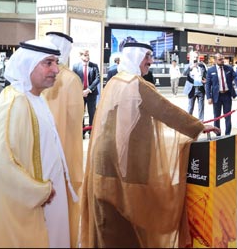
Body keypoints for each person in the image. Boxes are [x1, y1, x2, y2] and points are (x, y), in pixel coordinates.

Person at [80, 42, 219, 248]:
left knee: (107, 220)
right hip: (124, 165)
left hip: (105, 163)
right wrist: (197, 127)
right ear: (135, 57)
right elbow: (166, 110)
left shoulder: (115, 81)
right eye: (147, 56)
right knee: (126, 220)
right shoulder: (135, 84)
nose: (151, 61)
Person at [0, 39, 79, 247]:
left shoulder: (35, 98)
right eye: (48, 63)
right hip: (36, 202)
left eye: (56, 62)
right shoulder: (14, 103)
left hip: (50, 197)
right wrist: (38, 191)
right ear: (27, 64)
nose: (56, 69)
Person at [41, 31, 85, 249]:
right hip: (64, 154)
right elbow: (76, 121)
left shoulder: (37, 76)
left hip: (40, 154)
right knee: (65, 206)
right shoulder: (70, 80)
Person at [205, 53, 237, 135]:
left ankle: (228, 134)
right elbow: (208, 84)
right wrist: (209, 97)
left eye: (222, 59)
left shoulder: (229, 68)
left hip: (227, 95)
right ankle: (218, 134)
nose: (222, 61)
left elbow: (235, 77)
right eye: (220, 59)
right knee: (217, 116)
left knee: (228, 116)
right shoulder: (210, 70)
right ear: (215, 60)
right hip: (217, 96)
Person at [72, 49, 101, 137]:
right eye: (85, 55)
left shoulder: (94, 66)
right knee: (81, 112)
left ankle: (91, 131)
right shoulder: (76, 66)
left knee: (92, 112)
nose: (87, 57)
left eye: (88, 55)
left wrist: (88, 89)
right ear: (81, 56)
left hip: (91, 93)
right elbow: (74, 79)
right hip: (80, 94)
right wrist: (80, 91)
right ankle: (82, 131)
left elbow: (98, 79)